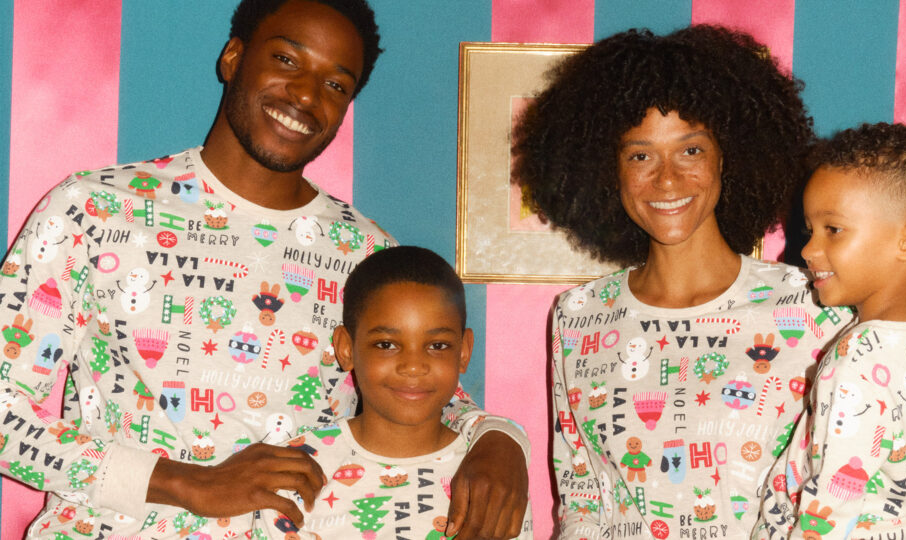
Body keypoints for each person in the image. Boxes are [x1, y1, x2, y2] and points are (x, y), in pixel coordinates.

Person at [0, 1, 528, 539]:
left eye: (336, 85)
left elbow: (428, 393)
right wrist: (184, 482)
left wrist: (498, 440)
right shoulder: (94, 210)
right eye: (286, 59)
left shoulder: (362, 252)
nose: (305, 95)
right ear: (233, 57)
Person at [512, 26, 850, 538]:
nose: (666, 180)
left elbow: (839, 490)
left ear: (728, 156)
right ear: (608, 170)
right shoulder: (579, 315)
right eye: (640, 155)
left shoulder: (814, 305)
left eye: (690, 151)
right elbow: (580, 491)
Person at [754, 123, 906, 539]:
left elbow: (832, 502)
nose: (808, 250)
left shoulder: (857, 362)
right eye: (809, 230)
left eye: (833, 230)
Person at [243, 245, 534, 539]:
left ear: (463, 351)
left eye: (437, 346)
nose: (413, 366)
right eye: (386, 345)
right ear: (346, 348)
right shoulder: (298, 471)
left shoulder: (490, 479)